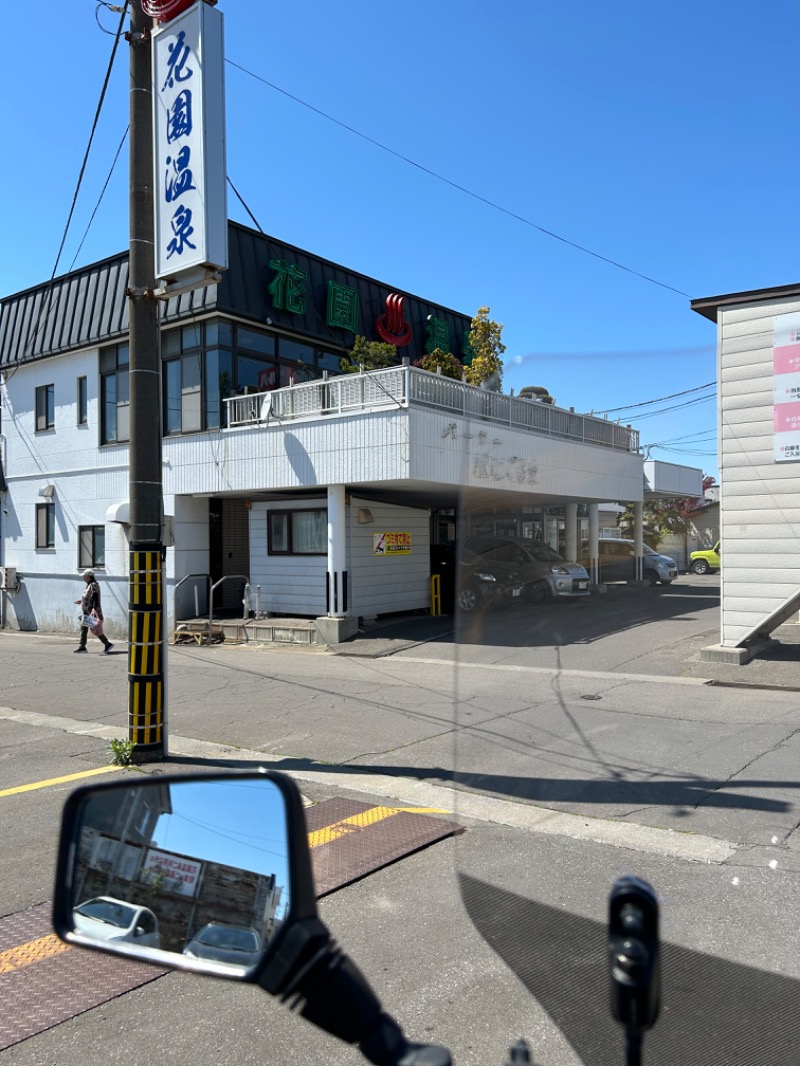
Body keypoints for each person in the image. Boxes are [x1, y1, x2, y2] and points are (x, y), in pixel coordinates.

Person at [74, 569, 114, 654]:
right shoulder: (89, 585)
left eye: (84, 576)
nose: (83, 578)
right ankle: (82, 646)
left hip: (90, 612)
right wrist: (82, 601)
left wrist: (93, 608)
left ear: (88, 576)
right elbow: (89, 597)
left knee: (96, 629)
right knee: (85, 628)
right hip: (87, 611)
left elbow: (94, 597)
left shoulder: (93, 585)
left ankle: (107, 644)